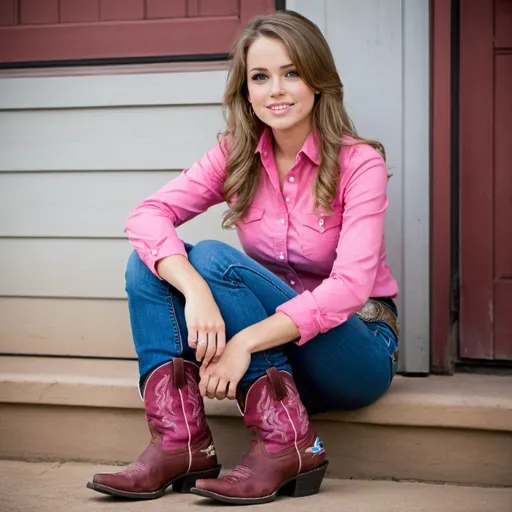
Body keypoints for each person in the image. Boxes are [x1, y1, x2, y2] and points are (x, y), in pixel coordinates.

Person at [87, 9, 399, 506]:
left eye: (291, 72)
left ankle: (287, 443)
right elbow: (146, 217)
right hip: (281, 356)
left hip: (355, 349)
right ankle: (178, 444)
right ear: (246, 91)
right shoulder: (236, 154)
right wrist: (194, 293)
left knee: (211, 256)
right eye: (261, 76)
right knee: (149, 262)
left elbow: (348, 290)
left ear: (318, 81)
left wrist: (243, 344)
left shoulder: (359, 163)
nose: (276, 89)